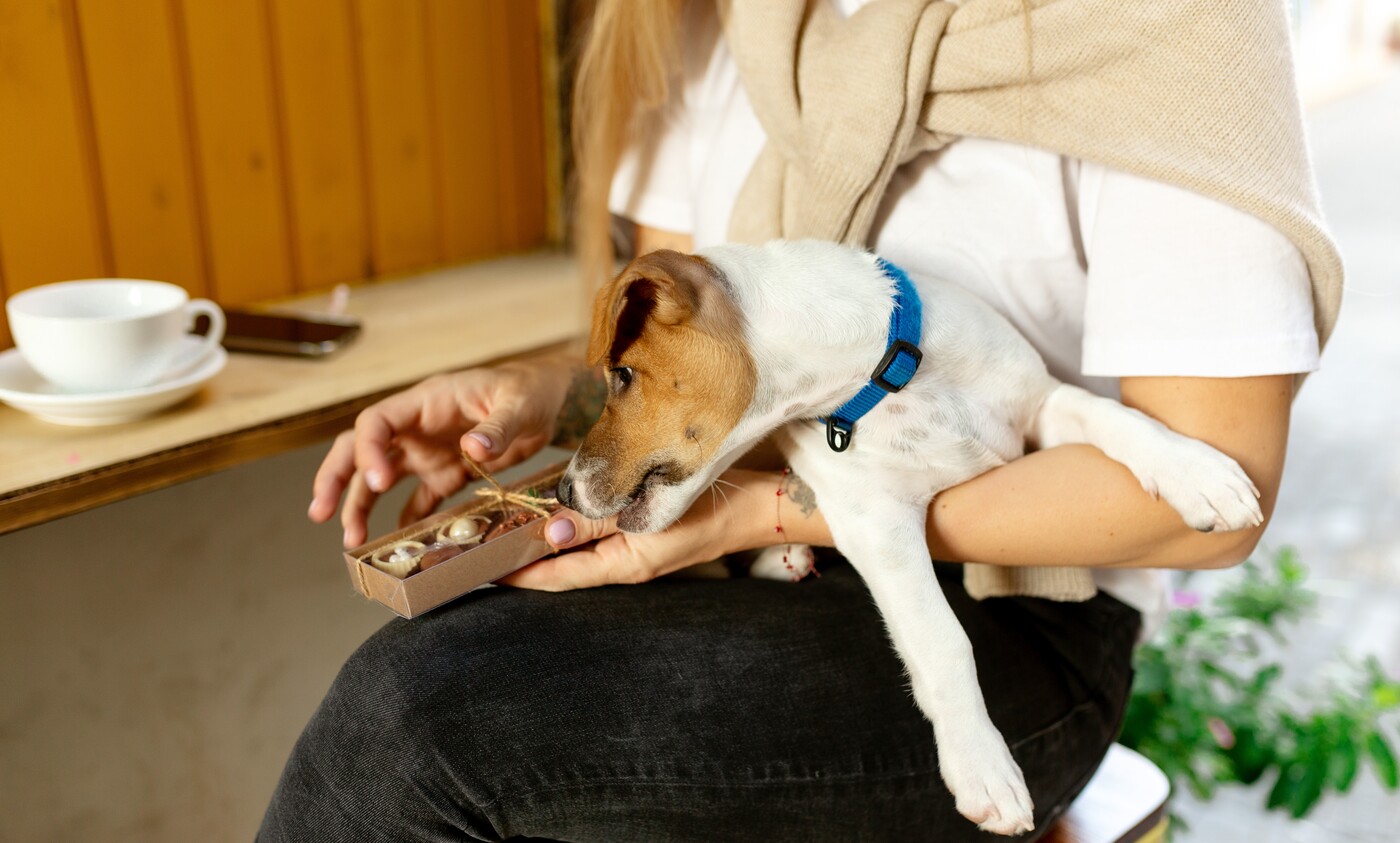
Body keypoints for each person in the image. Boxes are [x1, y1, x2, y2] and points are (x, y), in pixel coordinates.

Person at [259, 1, 1331, 840]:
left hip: (1015, 627)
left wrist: (768, 514)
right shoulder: (721, 21)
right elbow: (686, 346)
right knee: (451, 670)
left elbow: (1207, 507)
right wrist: (553, 395)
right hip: (768, 558)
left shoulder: (1173, 30)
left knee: (417, 721)